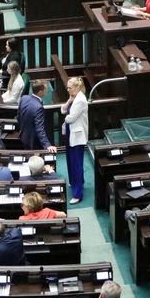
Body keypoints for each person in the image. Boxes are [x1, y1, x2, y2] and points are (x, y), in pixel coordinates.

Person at [62, 76, 89, 204]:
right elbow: (63, 109)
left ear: (77, 87)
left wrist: (67, 116)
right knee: (71, 160)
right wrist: (69, 100)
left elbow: (70, 118)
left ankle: (78, 194)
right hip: (70, 133)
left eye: (70, 88)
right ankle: (74, 182)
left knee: (76, 163)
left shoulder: (81, 100)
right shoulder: (74, 98)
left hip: (77, 136)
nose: (68, 89)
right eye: (67, 87)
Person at [17, 80, 51, 150]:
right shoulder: (38, 107)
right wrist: (47, 145)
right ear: (40, 92)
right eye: (46, 89)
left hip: (24, 137)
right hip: (33, 142)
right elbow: (39, 128)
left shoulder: (24, 98)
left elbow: (19, 117)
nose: (47, 91)